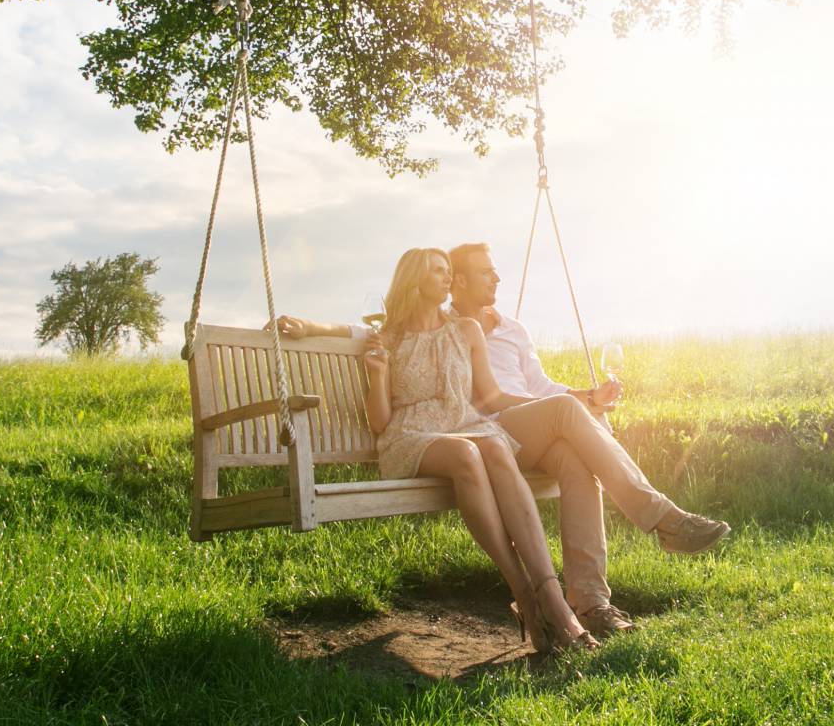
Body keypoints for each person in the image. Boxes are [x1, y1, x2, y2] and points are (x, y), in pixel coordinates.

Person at [278, 243, 731, 640]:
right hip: (479, 428)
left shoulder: (508, 329)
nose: (494, 277)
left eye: (490, 271)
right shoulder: (435, 323)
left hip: (516, 427)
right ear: (451, 283)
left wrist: (586, 396)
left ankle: (591, 604)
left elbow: (539, 385)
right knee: (562, 416)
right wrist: (309, 325)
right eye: (481, 272)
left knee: (574, 462)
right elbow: (367, 334)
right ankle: (662, 519)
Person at [362, 247, 595, 654]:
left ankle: (552, 599)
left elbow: (490, 396)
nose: (448, 278)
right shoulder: (389, 337)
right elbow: (380, 423)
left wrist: (563, 403)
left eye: (449, 271)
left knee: (495, 446)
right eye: (438, 271)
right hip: (410, 436)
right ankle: (524, 593)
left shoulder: (466, 329)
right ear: (415, 279)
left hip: (460, 425)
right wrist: (376, 374)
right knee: (469, 454)